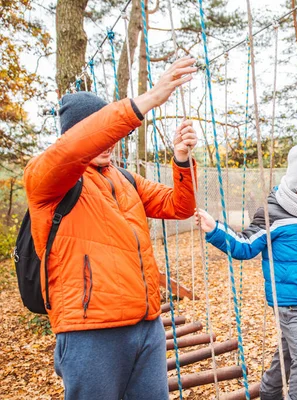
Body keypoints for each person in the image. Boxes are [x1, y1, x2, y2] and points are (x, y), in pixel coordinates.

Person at [23, 57, 199, 400]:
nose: (109, 142)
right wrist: (148, 99)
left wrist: (180, 159)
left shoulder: (124, 178)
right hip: (90, 333)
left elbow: (180, 207)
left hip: (147, 326)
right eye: (101, 134)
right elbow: (76, 145)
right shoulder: (47, 180)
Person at [195, 144, 297, 400]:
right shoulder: (274, 215)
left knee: (289, 353)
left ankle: (269, 393)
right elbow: (244, 247)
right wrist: (215, 230)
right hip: (290, 305)